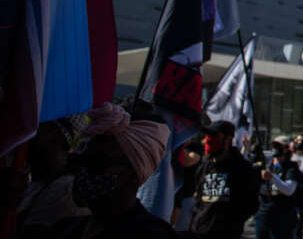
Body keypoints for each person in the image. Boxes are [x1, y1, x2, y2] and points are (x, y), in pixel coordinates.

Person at [49, 102, 176, 239]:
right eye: (83, 160)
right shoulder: (66, 229)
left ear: (132, 172)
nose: (85, 171)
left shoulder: (151, 235)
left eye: (98, 163)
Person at [16, 117, 90, 238]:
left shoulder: (66, 189)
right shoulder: (37, 184)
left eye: (36, 129)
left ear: (55, 133)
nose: (27, 135)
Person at [190, 119, 260, 239]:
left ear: (228, 140)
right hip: (201, 232)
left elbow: (252, 204)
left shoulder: (242, 168)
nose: (208, 139)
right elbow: (199, 197)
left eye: (214, 136)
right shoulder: (205, 166)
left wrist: (232, 222)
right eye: (208, 135)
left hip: (228, 233)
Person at [255, 137, 303, 239]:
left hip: (283, 215)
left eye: (278, 146)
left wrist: (272, 177)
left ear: (286, 149)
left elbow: (289, 190)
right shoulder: (267, 164)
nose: (275, 149)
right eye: (273, 146)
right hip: (264, 214)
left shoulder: (291, 167)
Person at [171, 140, 203, 232]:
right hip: (171, 194)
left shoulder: (196, 147)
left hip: (187, 196)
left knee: (180, 231)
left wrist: (174, 149)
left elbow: (188, 161)